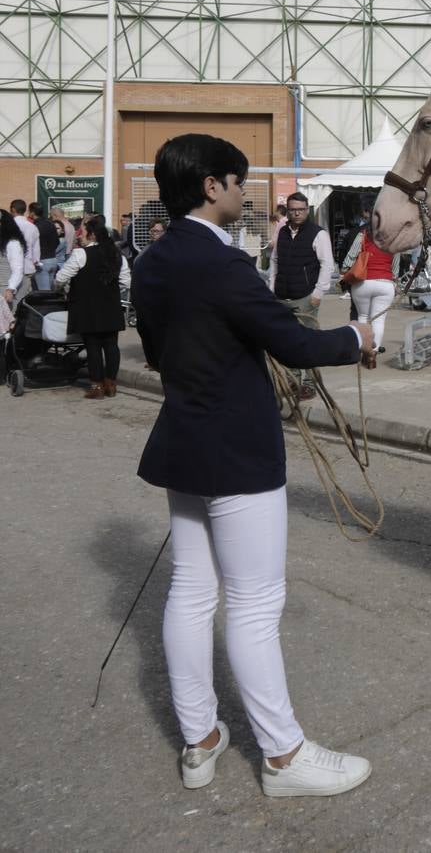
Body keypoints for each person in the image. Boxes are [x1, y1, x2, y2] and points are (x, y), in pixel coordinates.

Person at [131, 133, 375, 798]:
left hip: (184, 442)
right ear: (212, 186)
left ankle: (200, 739)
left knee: (190, 591)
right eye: (239, 183)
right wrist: (356, 337)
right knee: (255, 602)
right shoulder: (224, 264)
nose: (246, 195)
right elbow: (292, 341)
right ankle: (283, 755)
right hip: (237, 449)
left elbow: (155, 353)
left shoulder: (153, 263)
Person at [266, 192, 335, 400]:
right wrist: (271, 288)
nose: (297, 213)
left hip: (306, 296)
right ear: (287, 211)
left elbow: (327, 264)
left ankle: (309, 383)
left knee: (307, 341)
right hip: (282, 295)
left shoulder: (318, 233)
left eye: (301, 209)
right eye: (293, 210)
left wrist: (318, 293)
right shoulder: (283, 232)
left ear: (307, 210)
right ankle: (293, 380)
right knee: (287, 340)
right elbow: (275, 261)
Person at [54, 214, 131, 399]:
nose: (80, 235)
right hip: (110, 306)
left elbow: (60, 278)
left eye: (83, 232)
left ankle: (96, 385)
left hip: (86, 306)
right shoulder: (116, 254)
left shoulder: (81, 254)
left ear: (92, 235)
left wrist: (62, 289)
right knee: (111, 345)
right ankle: (111, 383)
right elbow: (126, 282)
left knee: (93, 346)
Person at [340, 225, 397, 354]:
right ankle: (373, 352)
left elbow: (351, 257)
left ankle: (362, 348)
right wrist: (394, 277)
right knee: (378, 320)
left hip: (363, 282)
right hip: (385, 283)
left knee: (362, 316)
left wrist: (344, 270)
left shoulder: (363, 234)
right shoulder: (394, 238)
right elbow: (396, 264)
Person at [1, 210, 26, 332]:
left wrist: (10, 289)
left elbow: (17, 269)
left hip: (4, 289)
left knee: (6, 326)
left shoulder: (12, 243)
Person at [29, 203, 60, 291]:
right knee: (49, 291)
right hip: (53, 260)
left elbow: (32, 245)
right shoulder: (50, 224)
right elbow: (57, 242)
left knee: (43, 293)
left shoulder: (35, 227)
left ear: (32, 213)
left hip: (42, 262)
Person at [9, 200, 40, 287]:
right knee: (24, 297)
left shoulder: (8, 225)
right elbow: (36, 249)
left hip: (10, 268)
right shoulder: (33, 227)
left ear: (13, 209)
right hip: (27, 267)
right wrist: (36, 262)